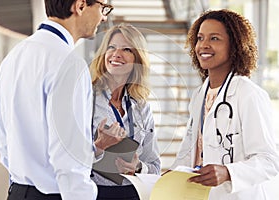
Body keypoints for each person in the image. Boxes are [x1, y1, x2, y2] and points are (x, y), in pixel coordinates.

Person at [0, 0, 114, 199]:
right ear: (81, 5)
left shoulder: (14, 56)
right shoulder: (70, 63)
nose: (104, 17)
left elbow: (5, 145)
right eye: (103, 8)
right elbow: (69, 161)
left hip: (17, 191)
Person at [170, 9, 279, 200]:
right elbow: (190, 151)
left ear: (235, 45)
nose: (203, 45)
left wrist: (228, 172)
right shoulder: (199, 95)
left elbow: (269, 161)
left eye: (214, 39)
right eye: (200, 38)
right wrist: (171, 175)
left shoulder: (248, 94)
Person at [90, 23, 161, 200]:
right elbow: (67, 159)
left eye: (126, 49)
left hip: (133, 194)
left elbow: (154, 166)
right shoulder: (86, 98)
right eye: (111, 47)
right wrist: (99, 146)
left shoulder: (141, 107)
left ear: (137, 59)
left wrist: (138, 167)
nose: (116, 54)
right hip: (94, 193)